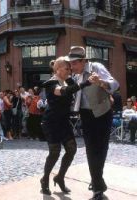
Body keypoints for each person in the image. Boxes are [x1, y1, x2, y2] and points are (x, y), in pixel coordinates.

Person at [66, 46, 119, 200]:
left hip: (102, 114)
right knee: (90, 150)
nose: (72, 67)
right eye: (70, 64)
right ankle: (97, 184)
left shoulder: (96, 67)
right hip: (86, 115)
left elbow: (114, 84)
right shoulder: (75, 76)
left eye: (74, 63)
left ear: (84, 61)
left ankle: (97, 185)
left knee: (100, 149)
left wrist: (101, 82)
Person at [40, 56, 91, 195]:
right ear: (57, 69)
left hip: (63, 121)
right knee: (54, 152)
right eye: (67, 68)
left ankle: (60, 177)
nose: (70, 70)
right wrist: (85, 83)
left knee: (71, 149)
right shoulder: (51, 83)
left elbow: (73, 88)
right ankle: (45, 180)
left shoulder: (68, 80)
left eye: (70, 68)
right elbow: (63, 91)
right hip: (51, 122)